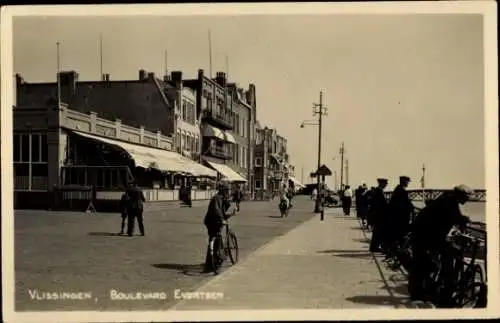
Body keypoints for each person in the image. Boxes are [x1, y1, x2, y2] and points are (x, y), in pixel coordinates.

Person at [408, 185, 472, 306]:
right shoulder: (448, 203)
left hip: (424, 234)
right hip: (422, 235)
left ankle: (426, 291)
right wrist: (464, 220)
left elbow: (454, 216)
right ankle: (419, 294)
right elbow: (452, 216)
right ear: (460, 195)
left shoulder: (449, 200)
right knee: (420, 264)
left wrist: (462, 219)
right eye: (467, 197)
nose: (468, 200)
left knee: (423, 264)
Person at [203, 182, 231, 273]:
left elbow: (222, 212)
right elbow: (217, 211)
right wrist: (222, 219)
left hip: (216, 221)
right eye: (226, 190)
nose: (228, 193)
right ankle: (213, 263)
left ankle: (213, 262)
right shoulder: (217, 198)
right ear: (222, 190)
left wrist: (229, 213)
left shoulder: (222, 198)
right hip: (212, 222)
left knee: (215, 240)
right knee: (215, 239)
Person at [386, 176, 414, 258]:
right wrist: (411, 208)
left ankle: (393, 253)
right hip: (400, 218)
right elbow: (407, 203)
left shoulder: (397, 189)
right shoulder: (402, 191)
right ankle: (398, 254)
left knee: (396, 237)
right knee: (400, 236)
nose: (408, 183)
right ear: (403, 181)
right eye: (407, 182)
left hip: (396, 217)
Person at [369, 178, 389, 252]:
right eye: (385, 183)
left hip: (376, 214)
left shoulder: (377, 190)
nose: (386, 185)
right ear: (381, 183)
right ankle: (375, 247)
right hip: (379, 215)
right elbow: (383, 204)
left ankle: (374, 247)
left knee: (376, 232)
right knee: (379, 231)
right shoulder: (379, 191)